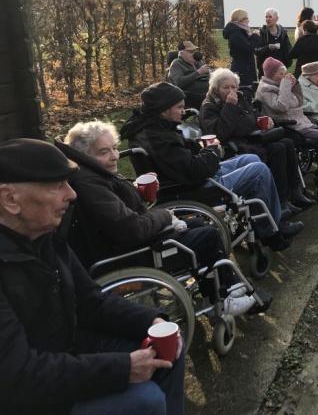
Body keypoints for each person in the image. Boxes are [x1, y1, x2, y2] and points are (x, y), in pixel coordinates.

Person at [0, 138, 184, 415]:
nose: (72, 194)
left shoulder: (45, 237)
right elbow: (20, 375)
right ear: (10, 199)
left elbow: (91, 301)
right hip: (27, 394)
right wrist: (124, 368)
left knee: (167, 353)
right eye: (57, 185)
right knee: (146, 399)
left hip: (68, 350)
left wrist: (151, 321)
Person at [59, 121, 268, 316]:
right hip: (129, 254)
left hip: (125, 241)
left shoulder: (93, 175)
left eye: (114, 148)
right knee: (208, 235)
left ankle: (220, 288)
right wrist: (165, 216)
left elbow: (117, 211)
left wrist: (136, 194)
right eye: (104, 152)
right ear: (84, 154)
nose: (115, 156)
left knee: (196, 223)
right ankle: (226, 296)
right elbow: (131, 228)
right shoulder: (90, 185)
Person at [120, 82, 303, 251]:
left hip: (193, 176)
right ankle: (271, 232)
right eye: (179, 107)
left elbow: (181, 154)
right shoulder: (157, 138)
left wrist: (199, 147)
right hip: (191, 187)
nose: (183, 112)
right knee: (259, 171)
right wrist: (213, 151)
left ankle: (269, 221)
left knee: (251, 158)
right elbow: (193, 170)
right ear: (163, 109)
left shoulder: (158, 128)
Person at [199, 68, 315, 214]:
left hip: (251, 137)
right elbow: (219, 133)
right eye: (225, 87)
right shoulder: (209, 106)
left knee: (286, 143)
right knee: (277, 149)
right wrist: (230, 107)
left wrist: (262, 122)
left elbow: (250, 119)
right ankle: (281, 201)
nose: (230, 90)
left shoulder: (240, 97)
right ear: (216, 88)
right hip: (234, 146)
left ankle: (294, 191)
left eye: (233, 87)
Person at [255, 57, 318, 193]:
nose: (284, 76)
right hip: (291, 127)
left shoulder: (281, 85)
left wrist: (294, 86)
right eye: (281, 73)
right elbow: (282, 106)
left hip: (304, 123)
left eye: (284, 73)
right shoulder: (265, 90)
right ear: (271, 75)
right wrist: (286, 85)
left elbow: (299, 102)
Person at [222, 8, 261, 91]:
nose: (248, 21)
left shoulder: (239, 31)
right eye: (247, 18)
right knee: (244, 91)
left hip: (244, 68)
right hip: (242, 70)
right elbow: (248, 48)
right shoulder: (236, 33)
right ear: (241, 19)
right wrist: (255, 36)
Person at [166, 40, 210, 110]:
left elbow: (207, 75)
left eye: (194, 51)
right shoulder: (176, 64)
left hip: (205, 89)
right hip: (189, 95)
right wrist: (198, 72)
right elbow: (179, 82)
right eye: (190, 52)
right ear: (181, 53)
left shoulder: (198, 62)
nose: (194, 54)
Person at [254, 8, 292, 79]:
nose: (268, 19)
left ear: (276, 18)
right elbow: (257, 51)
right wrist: (268, 47)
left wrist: (287, 64)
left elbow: (288, 49)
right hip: (265, 71)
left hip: (280, 70)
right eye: (266, 17)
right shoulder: (261, 33)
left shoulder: (283, 33)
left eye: (270, 17)